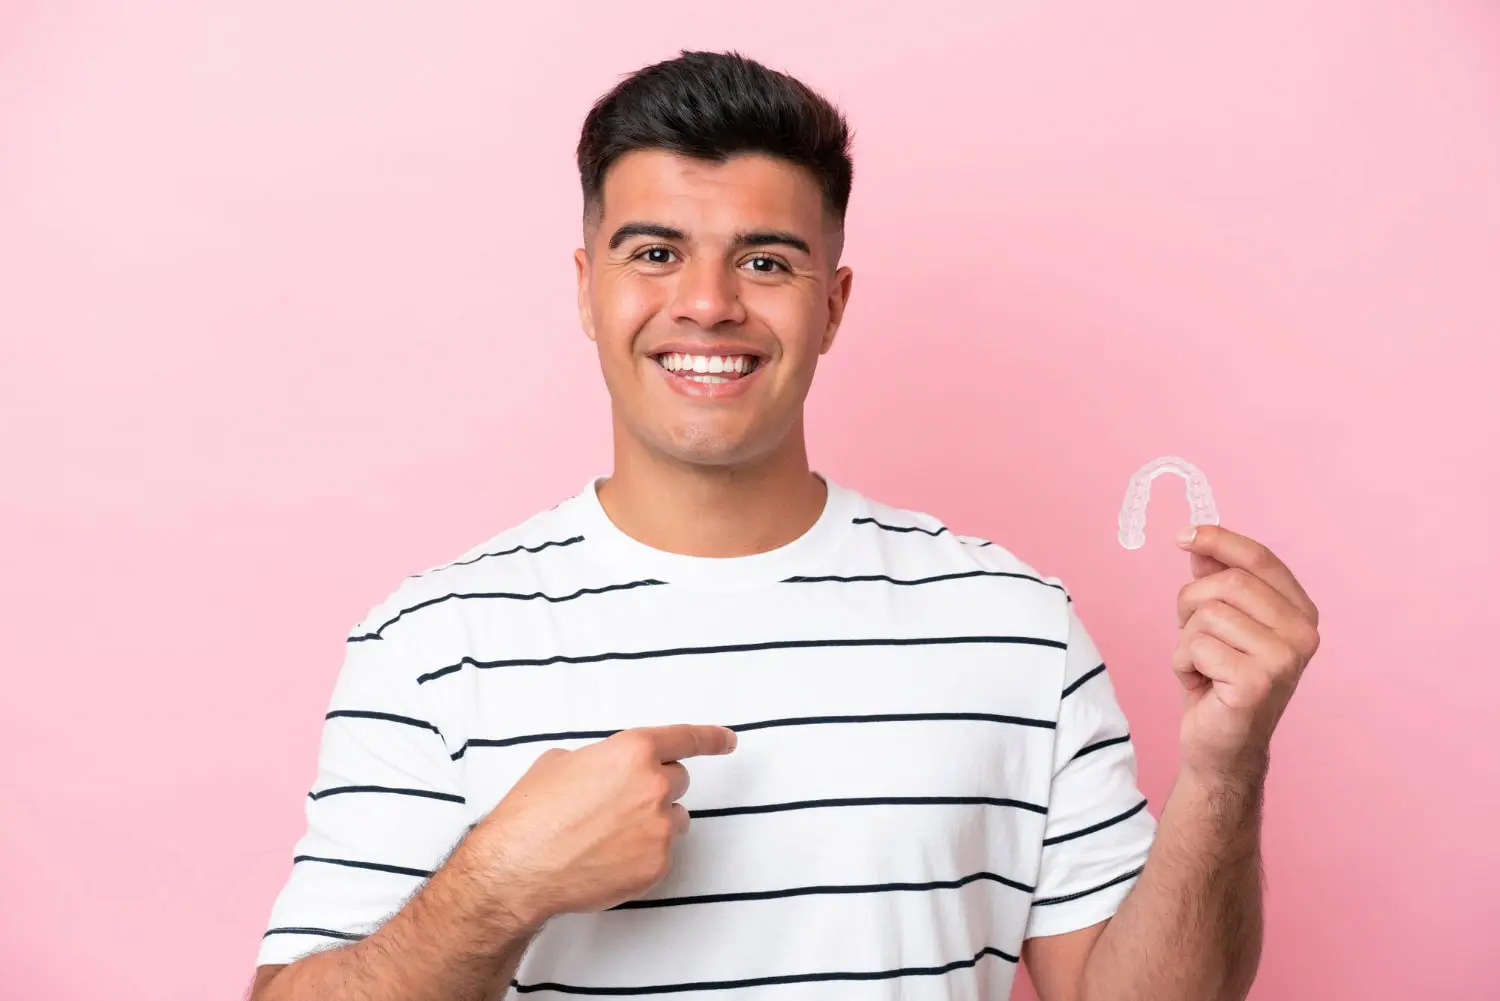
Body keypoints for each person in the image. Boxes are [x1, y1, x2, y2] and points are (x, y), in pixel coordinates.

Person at [248, 50, 1320, 1001]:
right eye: (654, 253)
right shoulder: (432, 643)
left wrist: (1226, 774)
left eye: (765, 261)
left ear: (833, 304)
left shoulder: (1016, 626)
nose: (708, 302)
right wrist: (503, 880)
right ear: (586, 288)